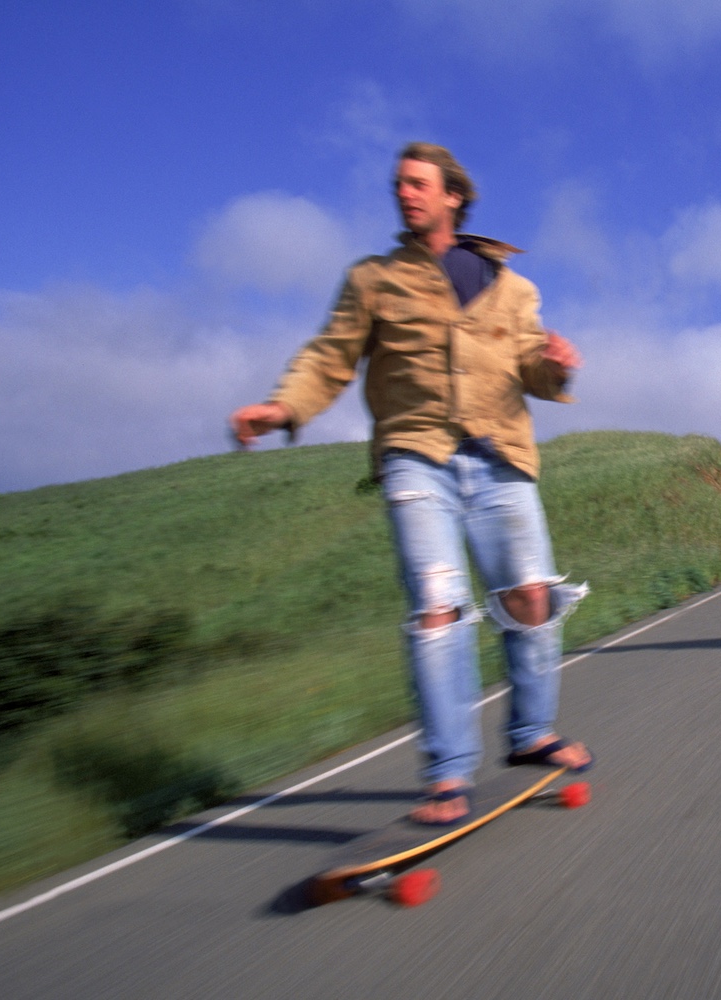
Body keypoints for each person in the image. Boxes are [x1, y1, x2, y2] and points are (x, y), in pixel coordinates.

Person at [230, 142, 590, 826]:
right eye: (399, 185)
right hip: (415, 454)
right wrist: (284, 408)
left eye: (419, 184)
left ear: (453, 194)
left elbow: (532, 368)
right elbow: (329, 358)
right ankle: (449, 774)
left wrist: (558, 367)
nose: (405, 193)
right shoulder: (374, 279)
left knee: (533, 600)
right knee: (437, 605)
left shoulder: (512, 288)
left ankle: (530, 734)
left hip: (501, 455)